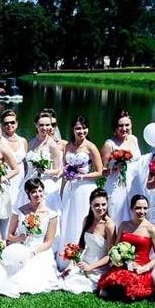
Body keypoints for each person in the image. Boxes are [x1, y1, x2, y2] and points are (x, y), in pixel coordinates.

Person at [97, 194, 155, 302]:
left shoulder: (151, 229)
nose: (142, 211)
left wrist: (145, 268)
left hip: (140, 269)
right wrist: (117, 260)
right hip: (123, 266)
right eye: (138, 208)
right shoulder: (124, 225)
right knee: (103, 292)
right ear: (131, 209)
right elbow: (116, 247)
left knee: (129, 290)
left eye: (145, 208)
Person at [59, 116, 103, 260]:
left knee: (80, 219)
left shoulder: (91, 147)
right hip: (70, 188)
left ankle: (80, 255)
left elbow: (100, 172)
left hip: (85, 188)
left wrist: (82, 176)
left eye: (84, 128)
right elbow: (64, 167)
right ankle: (66, 253)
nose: (81, 131)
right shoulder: (68, 146)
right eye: (78, 128)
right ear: (73, 129)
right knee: (67, 219)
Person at [6, 178, 61, 294]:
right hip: (21, 247)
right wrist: (18, 238)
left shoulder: (52, 215)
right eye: (33, 192)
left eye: (40, 191)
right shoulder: (19, 211)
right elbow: (9, 235)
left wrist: (33, 253)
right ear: (28, 194)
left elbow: (48, 242)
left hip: (40, 250)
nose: (38, 194)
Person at [60, 188, 116, 294]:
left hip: (99, 266)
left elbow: (110, 256)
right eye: (97, 205)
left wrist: (90, 267)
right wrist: (72, 263)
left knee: (78, 283)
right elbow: (81, 245)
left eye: (103, 204)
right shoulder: (87, 220)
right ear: (91, 205)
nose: (101, 208)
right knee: (68, 277)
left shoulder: (109, 225)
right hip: (84, 262)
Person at [15, 111, 62, 214]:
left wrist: (46, 171)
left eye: (47, 125)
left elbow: (58, 170)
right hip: (29, 181)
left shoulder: (52, 145)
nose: (44, 128)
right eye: (41, 125)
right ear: (36, 125)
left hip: (45, 184)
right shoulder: (31, 143)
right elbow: (26, 166)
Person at [100, 109, 142, 223]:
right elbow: (101, 171)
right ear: (115, 127)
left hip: (134, 184)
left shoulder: (134, 139)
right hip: (117, 186)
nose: (124, 129)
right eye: (120, 125)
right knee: (117, 217)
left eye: (127, 125)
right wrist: (113, 168)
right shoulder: (109, 144)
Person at [0, 109, 28, 207]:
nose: (9, 125)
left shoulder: (23, 141)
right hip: (5, 177)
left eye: (12, 122)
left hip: (20, 179)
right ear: (2, 125)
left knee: (18, 206)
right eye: (6, 123)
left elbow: (25, 163)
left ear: (17, 123)